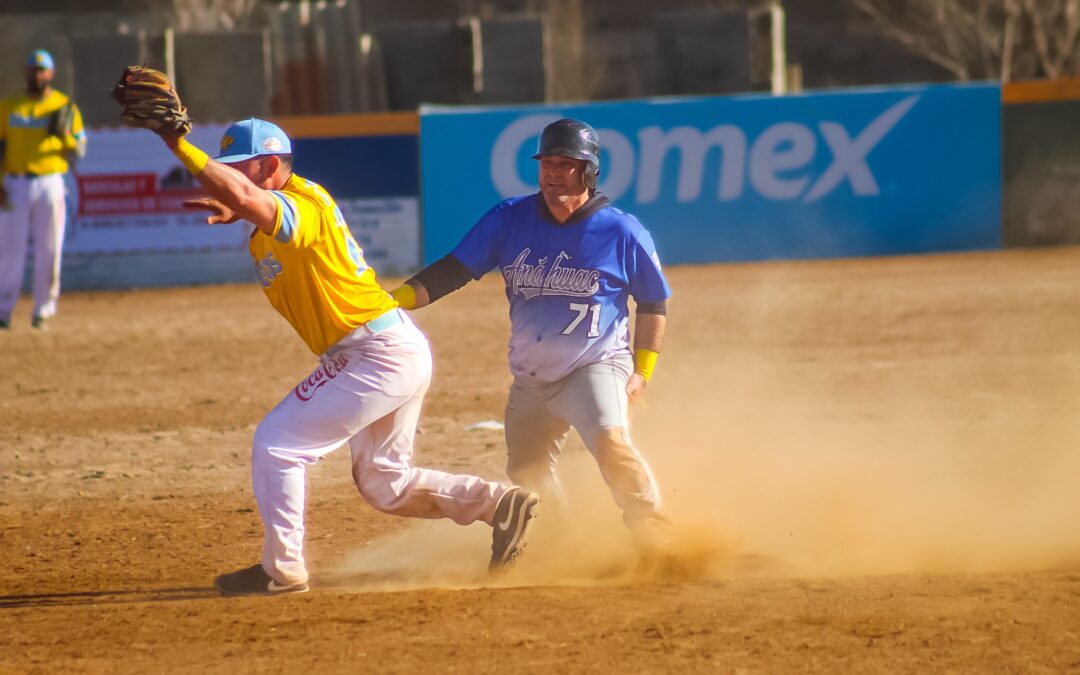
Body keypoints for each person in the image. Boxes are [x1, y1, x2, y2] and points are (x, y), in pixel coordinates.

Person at [141, 114, 540, 595]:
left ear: (270, 165)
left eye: (236, 168)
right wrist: (243, 206)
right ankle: (501, 506)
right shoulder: (269, 216)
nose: (225, 180)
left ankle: (282, 569)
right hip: (382, 348)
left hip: (375, 351)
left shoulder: (305, 205)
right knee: (384, 484)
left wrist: (176, 143)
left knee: (278, 443)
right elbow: (252, 202)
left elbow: (255, 200)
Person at [391, 118, 672, 553]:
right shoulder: (509, 218)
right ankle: (559, 539)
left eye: (565, 164)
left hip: (594, 366)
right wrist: (396, 300)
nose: (553, 173)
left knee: (611, 443)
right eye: (547, 163)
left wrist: (643, 371)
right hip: (530, 378)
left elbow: (653, 304)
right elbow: (454, 270)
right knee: (526, 469)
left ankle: (654, 531)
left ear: (589, 172)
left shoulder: (621, 231)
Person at [0, 49, 86, 330]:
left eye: (41, 69)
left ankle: (43, 310)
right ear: (26, 72)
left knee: (49, 249)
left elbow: (81, 149)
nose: (36, 74)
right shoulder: (10, 106)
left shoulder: (63, 106)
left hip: (50, 181)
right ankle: (3, 310)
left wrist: (65, 136)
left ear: (51, 73)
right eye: (32, 69)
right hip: (15, 182)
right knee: (9, 250)